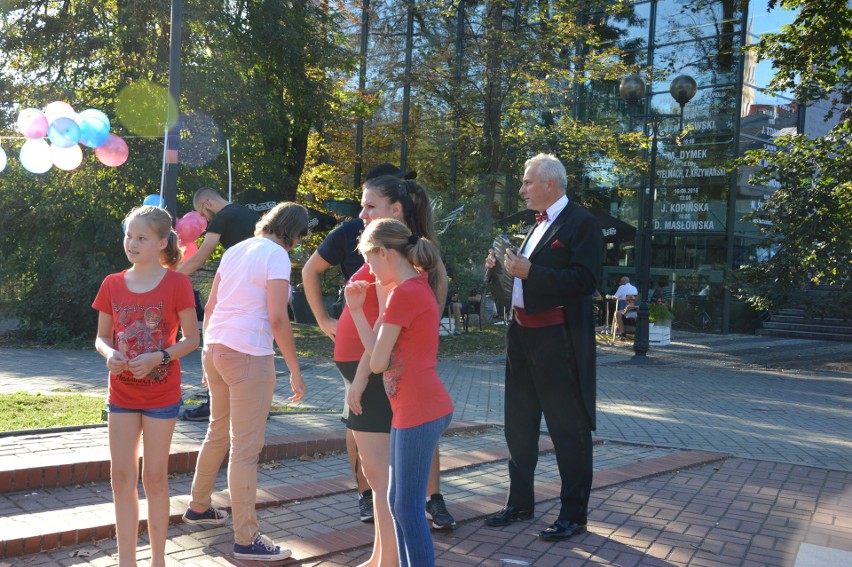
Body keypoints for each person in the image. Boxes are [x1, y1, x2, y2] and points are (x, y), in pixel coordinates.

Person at [301, 165, 456, 534]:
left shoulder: (394, 263)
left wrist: (359, 377)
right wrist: (325, 322)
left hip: (370, 371)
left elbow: (391, 337)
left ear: (396, 210)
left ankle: (399, 541)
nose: (362, 214)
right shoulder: (388, 256)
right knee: (383, 475)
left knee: (389, 479)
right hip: (364, 368)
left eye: (370, 206)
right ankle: (384, 551)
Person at [483, 153, 602, 541]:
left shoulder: (582, 223)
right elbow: (515, 286)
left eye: (527, 182)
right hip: (520, 336)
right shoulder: (532, 226)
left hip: (559, 341)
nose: (521, 190)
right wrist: (496, 270)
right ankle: (519, 503)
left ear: (550, 184)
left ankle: (573, 514)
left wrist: (531, 271)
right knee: (518, 425)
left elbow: (585, 280)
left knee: (568, 430)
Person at [181, 202, 309, 561]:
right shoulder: (277, 256)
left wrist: (208, 353)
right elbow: (277, 318)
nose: (298, 243)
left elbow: (209, 306)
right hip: (250, 354)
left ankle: (198, 507)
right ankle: (246, 538)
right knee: (245, 448)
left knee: (217, 431)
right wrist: (295, 370)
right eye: (300, 237)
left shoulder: (236, 249)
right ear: (292, 233)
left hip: (218, 347)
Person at [92, 205, 200, 567]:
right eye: (129, 236)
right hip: (120, 393)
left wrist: (160, 357)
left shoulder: (178, 283)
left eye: (141, 237)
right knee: (121, 478)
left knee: (154, 478)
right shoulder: (112, 283)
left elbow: (192, 339)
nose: (132, 243)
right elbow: (101, 338)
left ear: (162, 242)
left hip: (161, 395)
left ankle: (157, 561)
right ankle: (127, 562)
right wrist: (109, 354)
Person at [345, 218, 454, 567]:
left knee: (406, 508)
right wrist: (362, 312)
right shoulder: (413, 287)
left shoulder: (404, 293)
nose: (370, 269)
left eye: (370, 259)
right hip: (417, 407)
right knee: (398, 503)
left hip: (420, 409)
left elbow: (377, 362)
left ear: (385, 253)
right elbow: (382, 353)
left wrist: (358, 312)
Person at [178, 187, 260, 421]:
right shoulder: (249, 214)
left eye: (202, 214)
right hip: (258, 285)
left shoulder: (222, 217)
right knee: (249, 347)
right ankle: (253, 407)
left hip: (238, 285)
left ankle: (214, 406)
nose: (204, 220)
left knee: (218, 338)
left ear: (207, 204)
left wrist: (173, 277)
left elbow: (201, 255)